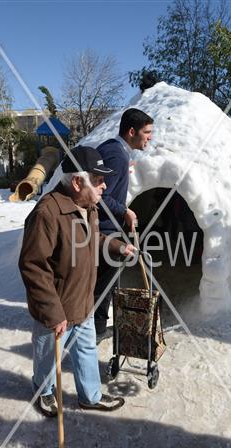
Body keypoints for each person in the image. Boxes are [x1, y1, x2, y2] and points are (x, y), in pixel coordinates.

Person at [19, 145, 135, 416]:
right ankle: (44, 392)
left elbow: (90, 240)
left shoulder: (87, 207)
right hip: (56, 310)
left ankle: (90, 396)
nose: (104, 185)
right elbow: (33, 266)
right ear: (76, 181)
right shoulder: (47, 213)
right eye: (98, 180)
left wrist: (117, 246)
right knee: (48, 360)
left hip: (82, 301)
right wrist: (53, 312)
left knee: (86, 353)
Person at [94, 108, 154, 341]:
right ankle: (95, 331)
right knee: (104, 284)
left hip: (108, 226)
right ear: (132, 131)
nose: (150, 137)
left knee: (109, 282)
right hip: (105, 228)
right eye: (147, 132)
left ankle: (96, 327)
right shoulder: (116, 155)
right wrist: (125, 210)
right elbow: (98, 195)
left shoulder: (113, 149)